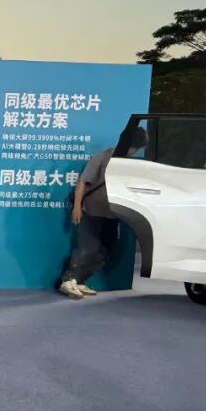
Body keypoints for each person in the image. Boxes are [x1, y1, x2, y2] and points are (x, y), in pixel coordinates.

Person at [58, 127, 148, 299]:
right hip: (91, 210)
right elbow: (83, 181)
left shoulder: (132, 163)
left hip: (112, 213)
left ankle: (79, 280)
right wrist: (77, 207)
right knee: (88, 248)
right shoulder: (104, 156)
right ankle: (68, 280)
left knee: (107, 249)